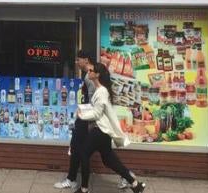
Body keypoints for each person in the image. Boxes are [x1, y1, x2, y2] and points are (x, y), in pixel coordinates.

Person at [76, 62, 146, 193]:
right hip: (103, 131)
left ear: (97, 74)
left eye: (91, 71)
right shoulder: (100, 90)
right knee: (109, 160)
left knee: (84, 154)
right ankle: (136, 184)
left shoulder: (102, 91)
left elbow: (97, 113)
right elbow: (99, 110)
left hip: (100, 130)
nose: (88, 72)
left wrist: (82, 115)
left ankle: (84, 189)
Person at [54, 50, 95, 190]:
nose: (77, 63)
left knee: (80, 149)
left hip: (86, 119)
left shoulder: (90, 76)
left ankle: (78, 183)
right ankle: (73, 179)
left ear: (86, 59)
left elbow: (92, 101)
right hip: (84, 118)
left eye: (79, 60)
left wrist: (83, 115)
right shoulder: (88, 74)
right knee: (77, 148)